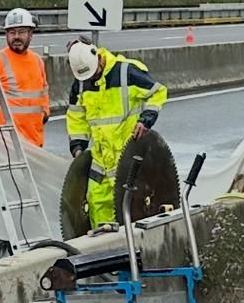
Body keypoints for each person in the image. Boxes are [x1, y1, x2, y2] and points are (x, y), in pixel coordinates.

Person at [65, 38, 168, 229]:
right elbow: (76, 117)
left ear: (98, 57)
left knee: (133, 209)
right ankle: (105, 251)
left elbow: (157, 92)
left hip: (130, 159)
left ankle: (135, 252)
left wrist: (146, 120)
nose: (91, 79)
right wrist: (78, 146)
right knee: (96, 205)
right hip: (101, 162)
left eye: (93, 73)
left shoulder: (126, 72)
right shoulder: (80, 84)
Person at [0, 7, 50, 260]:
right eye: (12, 32)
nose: (16, 37)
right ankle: (1, 244)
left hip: (32, 141)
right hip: (6, 142)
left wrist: (45, 111)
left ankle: (23, 242)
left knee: (26, 197)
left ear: (31, 34)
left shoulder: (37, 61)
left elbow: (42, 91)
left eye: (21, 32)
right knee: (6, 196)